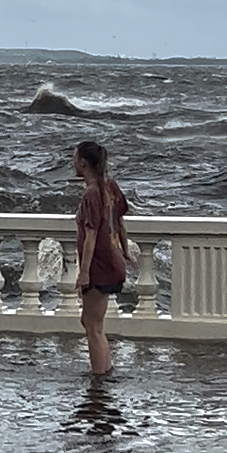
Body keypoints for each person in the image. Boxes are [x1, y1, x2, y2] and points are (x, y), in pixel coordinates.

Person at [73, 141, 137, 375]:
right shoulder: (110, 187)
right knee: (91, 322)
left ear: (83, 163)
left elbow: (91, 236)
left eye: (75, 158)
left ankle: (100, 376)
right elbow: (119, 222)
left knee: (93, 326)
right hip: (112, 261)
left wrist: (84, 273)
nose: (73, 163)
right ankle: (104, 369)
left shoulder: (91, 194)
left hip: (99, 265)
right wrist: (125, 251)